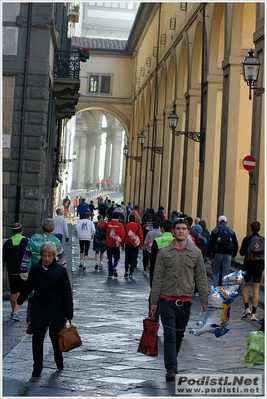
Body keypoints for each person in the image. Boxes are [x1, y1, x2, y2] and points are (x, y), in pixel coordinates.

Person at [150, 219, 208, 381]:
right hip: (167, 300)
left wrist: (204, 300)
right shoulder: (164, 253)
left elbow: (201, 278)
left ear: (188, 231)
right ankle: (171, 368)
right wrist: (153, 302)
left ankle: (172, 360)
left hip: (185, 302)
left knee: (178, 335)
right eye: (178, 229)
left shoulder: (196, 253)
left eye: (184, 229)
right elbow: (157, 278)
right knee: (169, 335)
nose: (181, 231)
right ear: (173, 231)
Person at [17, 242, 73, 377]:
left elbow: (66, 292)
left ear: (54, 256)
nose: (47, 259)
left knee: (55, 337)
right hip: (39, 306)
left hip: (56, 308)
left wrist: (68, 312)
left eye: (49, 256)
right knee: (37, 337)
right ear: (41, 256)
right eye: (44, 256)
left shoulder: (61, 270)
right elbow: (28, 285)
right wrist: (20, 300)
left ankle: (59, 361)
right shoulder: (35, 270)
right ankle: (37, 368)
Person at [20, 218, 67, 334]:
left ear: (42, 227)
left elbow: (26, 257)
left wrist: (23, 269)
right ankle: (47, 321)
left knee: (32, 297)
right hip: (51, 274)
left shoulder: (33, 239)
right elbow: (62, 260)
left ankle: (31, 321)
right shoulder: (56, 241)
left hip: (34, 273)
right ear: (52, 229)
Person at [3, 223, 29, 321]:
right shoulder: (26, 240)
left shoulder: (8, 242)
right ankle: (15, 312)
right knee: (20, 291)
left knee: (13, 291)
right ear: (21, 230)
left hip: (11, 270)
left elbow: (4, 257)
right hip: (22, 269)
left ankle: (13, 310)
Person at [149, 219, 174, 322]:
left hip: (159, 275)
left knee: (155, 299)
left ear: (162, 229)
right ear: (172, 230)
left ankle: (154, 321)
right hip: (172, 275)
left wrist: (152, 279)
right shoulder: (176, 241)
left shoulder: (157, 241)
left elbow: (153, 261)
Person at [239, 221, 264, 321]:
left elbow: (241, 253)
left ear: (250, 228)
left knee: (244, 286)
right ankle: (254, 313)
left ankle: (247, 308)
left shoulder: (247, 239)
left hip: (248, 266)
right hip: (259, 266)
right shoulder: (263, 240)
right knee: (256, 289)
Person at [206, 215, 238, 287]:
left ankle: (215, 289)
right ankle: (224, 290)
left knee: (216, 272)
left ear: (218, 221)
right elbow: (235, 243)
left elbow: (210, 243)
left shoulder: (215, 230)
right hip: (228, 254)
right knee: (226, 273)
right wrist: (234, 254)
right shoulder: (231, 231)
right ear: (226, 222)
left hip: (217, 254)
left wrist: (208, 255)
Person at [101, 213, 125, 278]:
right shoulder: (120, 225)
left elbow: (102, 226)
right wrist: (122, 245)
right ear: (118, 218)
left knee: (109, 259)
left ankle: (110, 274)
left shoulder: (108, 224)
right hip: (116, 245)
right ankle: (115, 267)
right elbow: (122, 236)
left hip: (109, 244)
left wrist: (102, 221)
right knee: (116, 257)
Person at [124, 214, 144, 279]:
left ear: (129, 219)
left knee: (127, 257)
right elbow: (140, 236)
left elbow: (124, 235)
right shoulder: (138, 226)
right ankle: (131, 273)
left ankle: (126, 270)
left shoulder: (126, 226)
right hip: (135, 244)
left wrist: (122, 244)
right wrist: (141, 245)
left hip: (127, 243)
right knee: (133, 258)